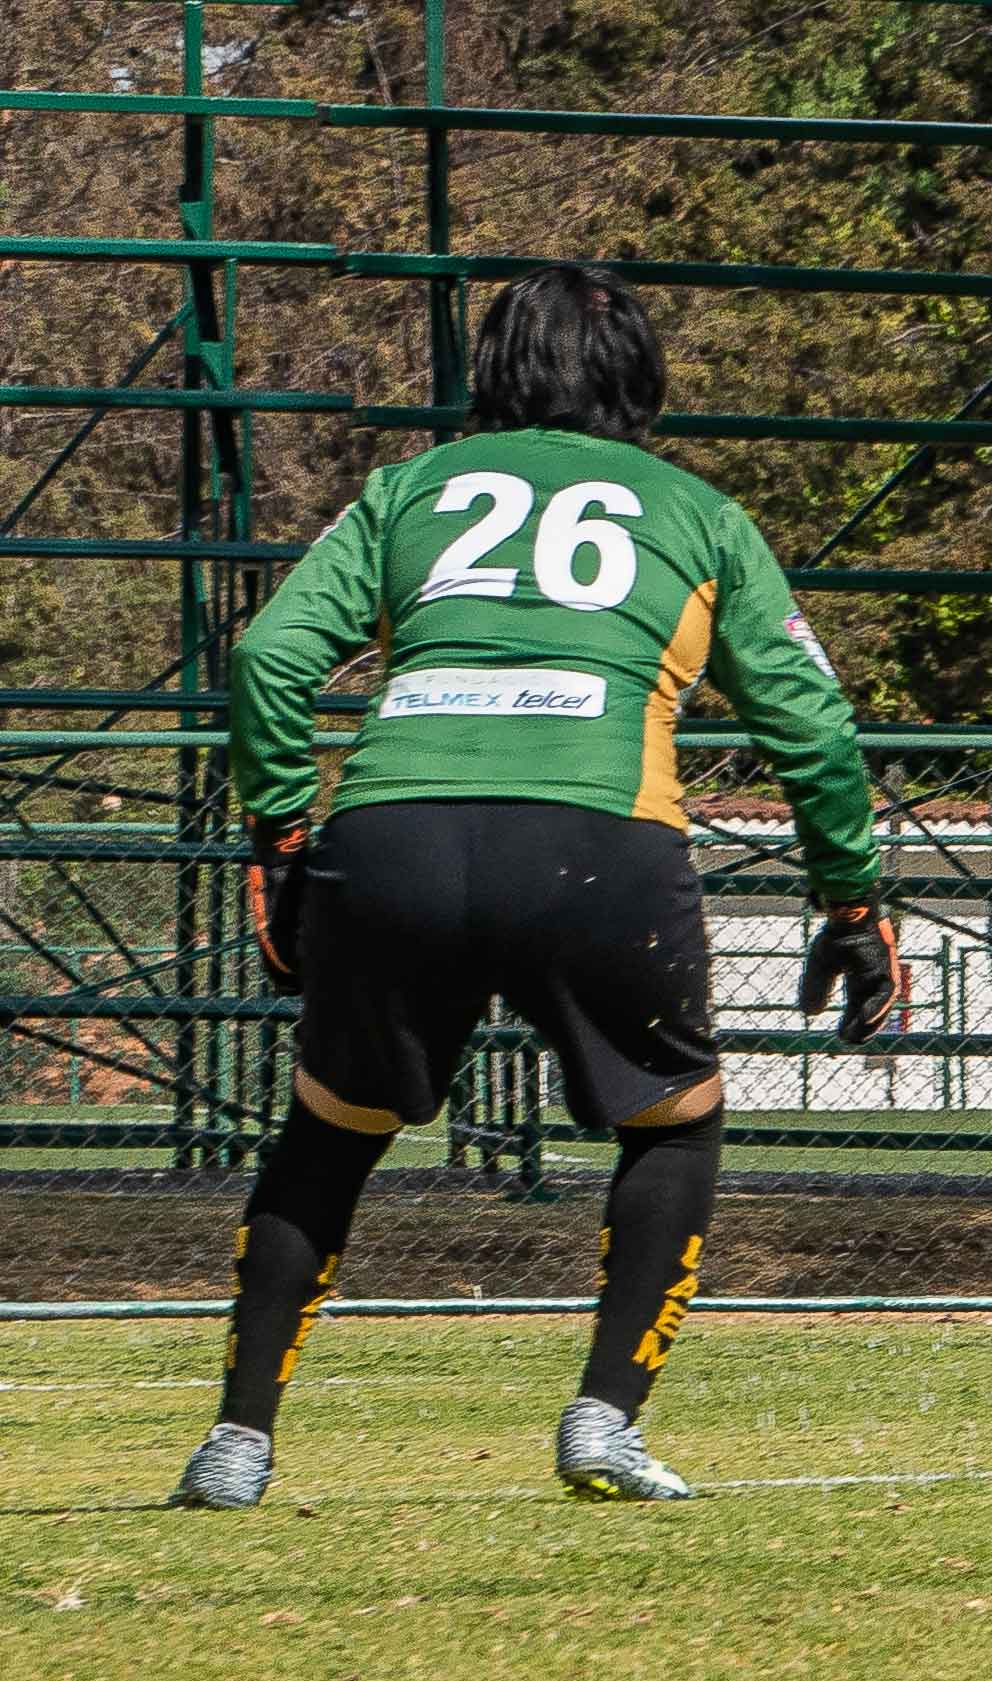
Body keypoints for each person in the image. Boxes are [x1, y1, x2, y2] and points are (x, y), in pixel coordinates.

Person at [169, 265, 905, 1508]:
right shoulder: (698, 513)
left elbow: (269, 657)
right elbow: (813, 731)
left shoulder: (408, 492)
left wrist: (284, 839)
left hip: (392, 833)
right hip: (596, 846)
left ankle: (237, 1444)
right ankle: (603, 1422)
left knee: (331, 1129)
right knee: (674, 1119)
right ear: (639, 376)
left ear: (493, 367)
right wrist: (848, 901)